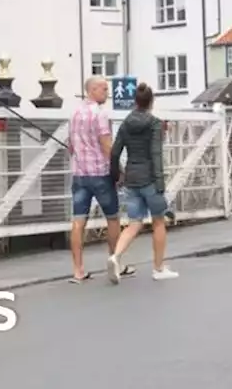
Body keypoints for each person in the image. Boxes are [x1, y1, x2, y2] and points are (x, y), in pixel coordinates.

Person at [106, 83, 180, 282]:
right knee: (158, 222)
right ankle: (158, 268)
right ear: (151, 101)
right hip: (150, 179)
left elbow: (114, 152)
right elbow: (156, 154)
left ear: (135, 102)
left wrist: (116, 175)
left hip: (131, 179)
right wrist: (160, 183)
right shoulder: (154, 124)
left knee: (134, 223)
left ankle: (115, 256)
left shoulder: (126, 123)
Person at [68, 76, 133, 283]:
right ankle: (115, 261)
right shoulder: (100, 114)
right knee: (112, 218)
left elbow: (70, 146)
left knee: (78, 222)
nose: (107, 92)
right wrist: (119, 170)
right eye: (104, 89)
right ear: (93, 90)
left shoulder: (74, 113)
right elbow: (107, 146)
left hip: (79, 174)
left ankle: (78, 270)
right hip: (100, 174)